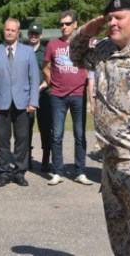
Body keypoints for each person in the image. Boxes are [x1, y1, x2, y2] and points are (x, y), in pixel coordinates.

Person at [70, 0, 130, 256]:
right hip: (108, 162)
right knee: (118, 234)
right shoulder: (104, 49)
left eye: (118, 17)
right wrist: (84, 32)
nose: (112, 22)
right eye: (109, 18)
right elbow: (76, 57)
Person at [0, 18, 39, 187]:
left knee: (22, 139)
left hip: (23, 103)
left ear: (18, 33)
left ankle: (20, 172)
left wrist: (33, 102)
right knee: (3, 140)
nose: (9, 32)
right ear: (4, 31)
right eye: (7, 29)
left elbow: (34, 78)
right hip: (0, 104)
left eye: (12, 30)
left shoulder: (28, 52)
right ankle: (4, 172)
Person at [43, 10, 93, 186]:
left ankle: (80, 172)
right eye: (61, 24)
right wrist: (52, 83)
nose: (63, 27)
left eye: (67, 23)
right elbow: (46, 67)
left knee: (80, 135)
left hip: (78, 94)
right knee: (57, 135)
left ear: (75, 24)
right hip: (58, 96)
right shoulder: (52, 45)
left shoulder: (84, 44)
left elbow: (91, 65)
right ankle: (57, 172)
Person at [27, 23, 53, 172]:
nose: (33, 36)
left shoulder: (46, 52)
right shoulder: (23, 51)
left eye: (36, 34)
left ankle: (45, 160)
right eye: (31, 33)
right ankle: (27, 159)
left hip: (44, 94)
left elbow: (51, 72)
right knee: (27, 128)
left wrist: (42, 86)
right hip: (27, 95)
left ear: (41, 35)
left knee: (45, 128)